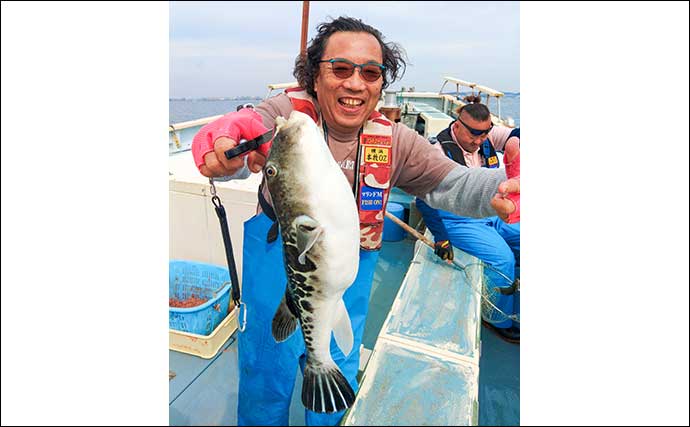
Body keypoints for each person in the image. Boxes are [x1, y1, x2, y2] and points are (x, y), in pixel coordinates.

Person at [191, 16, 520, 426]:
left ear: (381, 83)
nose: (354, 83)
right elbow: (240, 130)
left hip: (349, 275)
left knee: (337, 368)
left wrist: (500, 189)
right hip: (276, 264)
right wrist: (221, 142)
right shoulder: (289, 119)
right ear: (314, 76)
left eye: (370, 72)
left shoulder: (396, 140)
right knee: (263, 375)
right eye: (340, 69)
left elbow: (452, 184)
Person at [415, 96, 521, 343]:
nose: (478, 141)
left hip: (489, 211)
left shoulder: (485, 136)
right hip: (457, 218)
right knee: (501, 259)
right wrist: (441, 238)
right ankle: (496, 317)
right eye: (473, 135)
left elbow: (516, 133)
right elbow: (423, 198)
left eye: (484, 135)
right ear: (458, 125)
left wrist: (516, 143)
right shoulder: (438, 151)